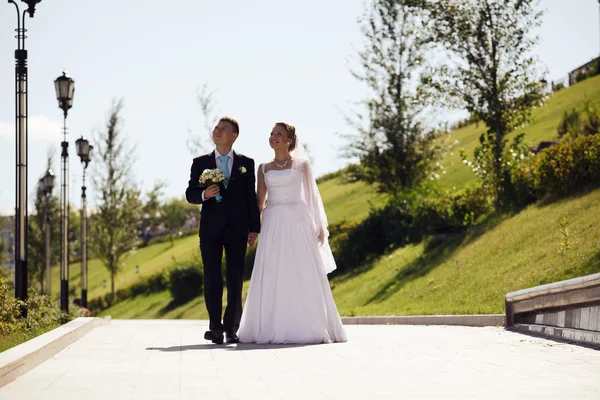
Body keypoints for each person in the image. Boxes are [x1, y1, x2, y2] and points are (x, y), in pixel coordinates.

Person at [237, 122, 347, 344]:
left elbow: (312, 197)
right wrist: (253, 228)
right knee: (273, 270)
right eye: (271, 133)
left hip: (298, 221)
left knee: (301, 269)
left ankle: (309, 324)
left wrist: (318, 225)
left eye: (279, 134)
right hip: (272, 222)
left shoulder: (302, 165)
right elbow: (260, 202)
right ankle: (269, 324)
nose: (274, 137)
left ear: (289, 140)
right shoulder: (263, 168)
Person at [185, 116, 260, 344]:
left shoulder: (246, 163)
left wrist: (254, 227)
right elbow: (190, 193)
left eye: (223, 129)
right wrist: (204, 194)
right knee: (212, 278)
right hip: (210, 230)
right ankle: (215, 328)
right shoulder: (200, 162)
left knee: (235, 279)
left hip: (238, 229)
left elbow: (251, 197)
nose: (217, 131)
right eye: (216, 128)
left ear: (234, 136)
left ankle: (231, 328)